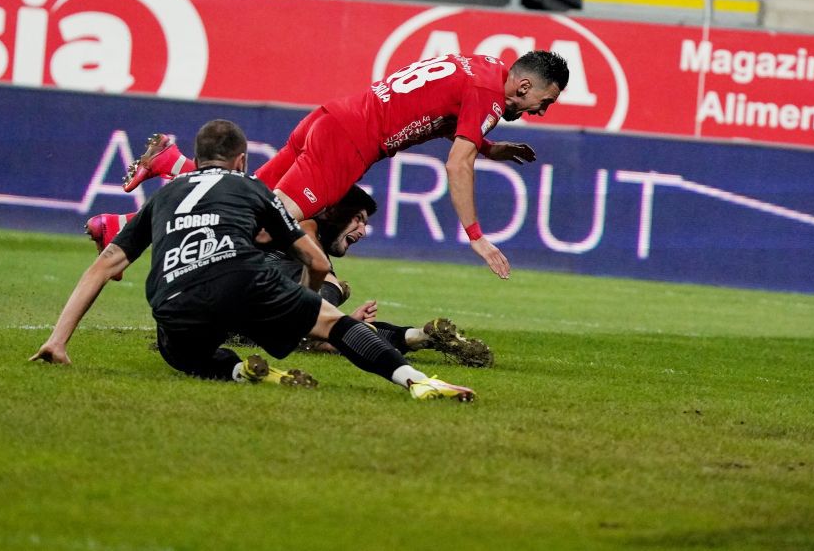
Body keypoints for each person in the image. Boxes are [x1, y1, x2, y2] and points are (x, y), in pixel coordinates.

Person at [32, 119, 476, 402]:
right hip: (244, 279)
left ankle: (245, 373)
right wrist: (305, 305)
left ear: (198, 158)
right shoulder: (254, 189)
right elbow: (312, 256)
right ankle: (415, 380)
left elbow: (104, 265)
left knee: (179, 352)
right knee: (336, 323)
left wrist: (58, 340)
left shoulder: (165, 195)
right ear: (242, 161)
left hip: (175, 296)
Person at [122, 51, 570, 280]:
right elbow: (457, 166)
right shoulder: (489, 95)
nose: (541, 112)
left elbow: (433, 118)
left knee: (246, 195)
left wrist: (488, 149)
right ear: (526, 84)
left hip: (331, 118)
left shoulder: (485, 68)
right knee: (260, 228)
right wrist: (476, 238)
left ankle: (170, 167)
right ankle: (135, 231)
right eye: (543, 103)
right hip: (349, 144)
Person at [85, 184, 495, 367]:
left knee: (330, 331)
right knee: (328, 315)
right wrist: (323, 311)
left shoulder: (292, 229)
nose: (362, 231)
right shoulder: (303, 233)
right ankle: (415, 336)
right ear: (334, 211)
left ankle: (417, 336)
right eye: (358, 218)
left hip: (198, 298)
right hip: (227, 294)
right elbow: (309, 299)